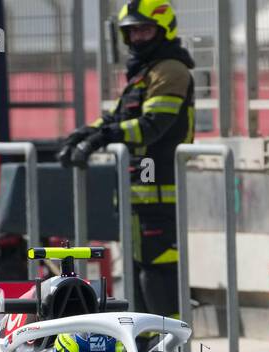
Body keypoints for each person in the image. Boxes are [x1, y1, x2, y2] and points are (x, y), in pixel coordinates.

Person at [58, 0, 194, 319]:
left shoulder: (170, 70)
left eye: (145, 30)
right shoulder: (144, 73)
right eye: (131, 32)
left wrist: (101, 139)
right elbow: (116, 118)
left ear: (164, 30)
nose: (137, 38)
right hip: (137, 194)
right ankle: (144, 347)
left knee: (158, 274)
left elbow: (152, 127)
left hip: (161, 194)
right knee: (134, 275)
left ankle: (169, 348)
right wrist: (82, 134)